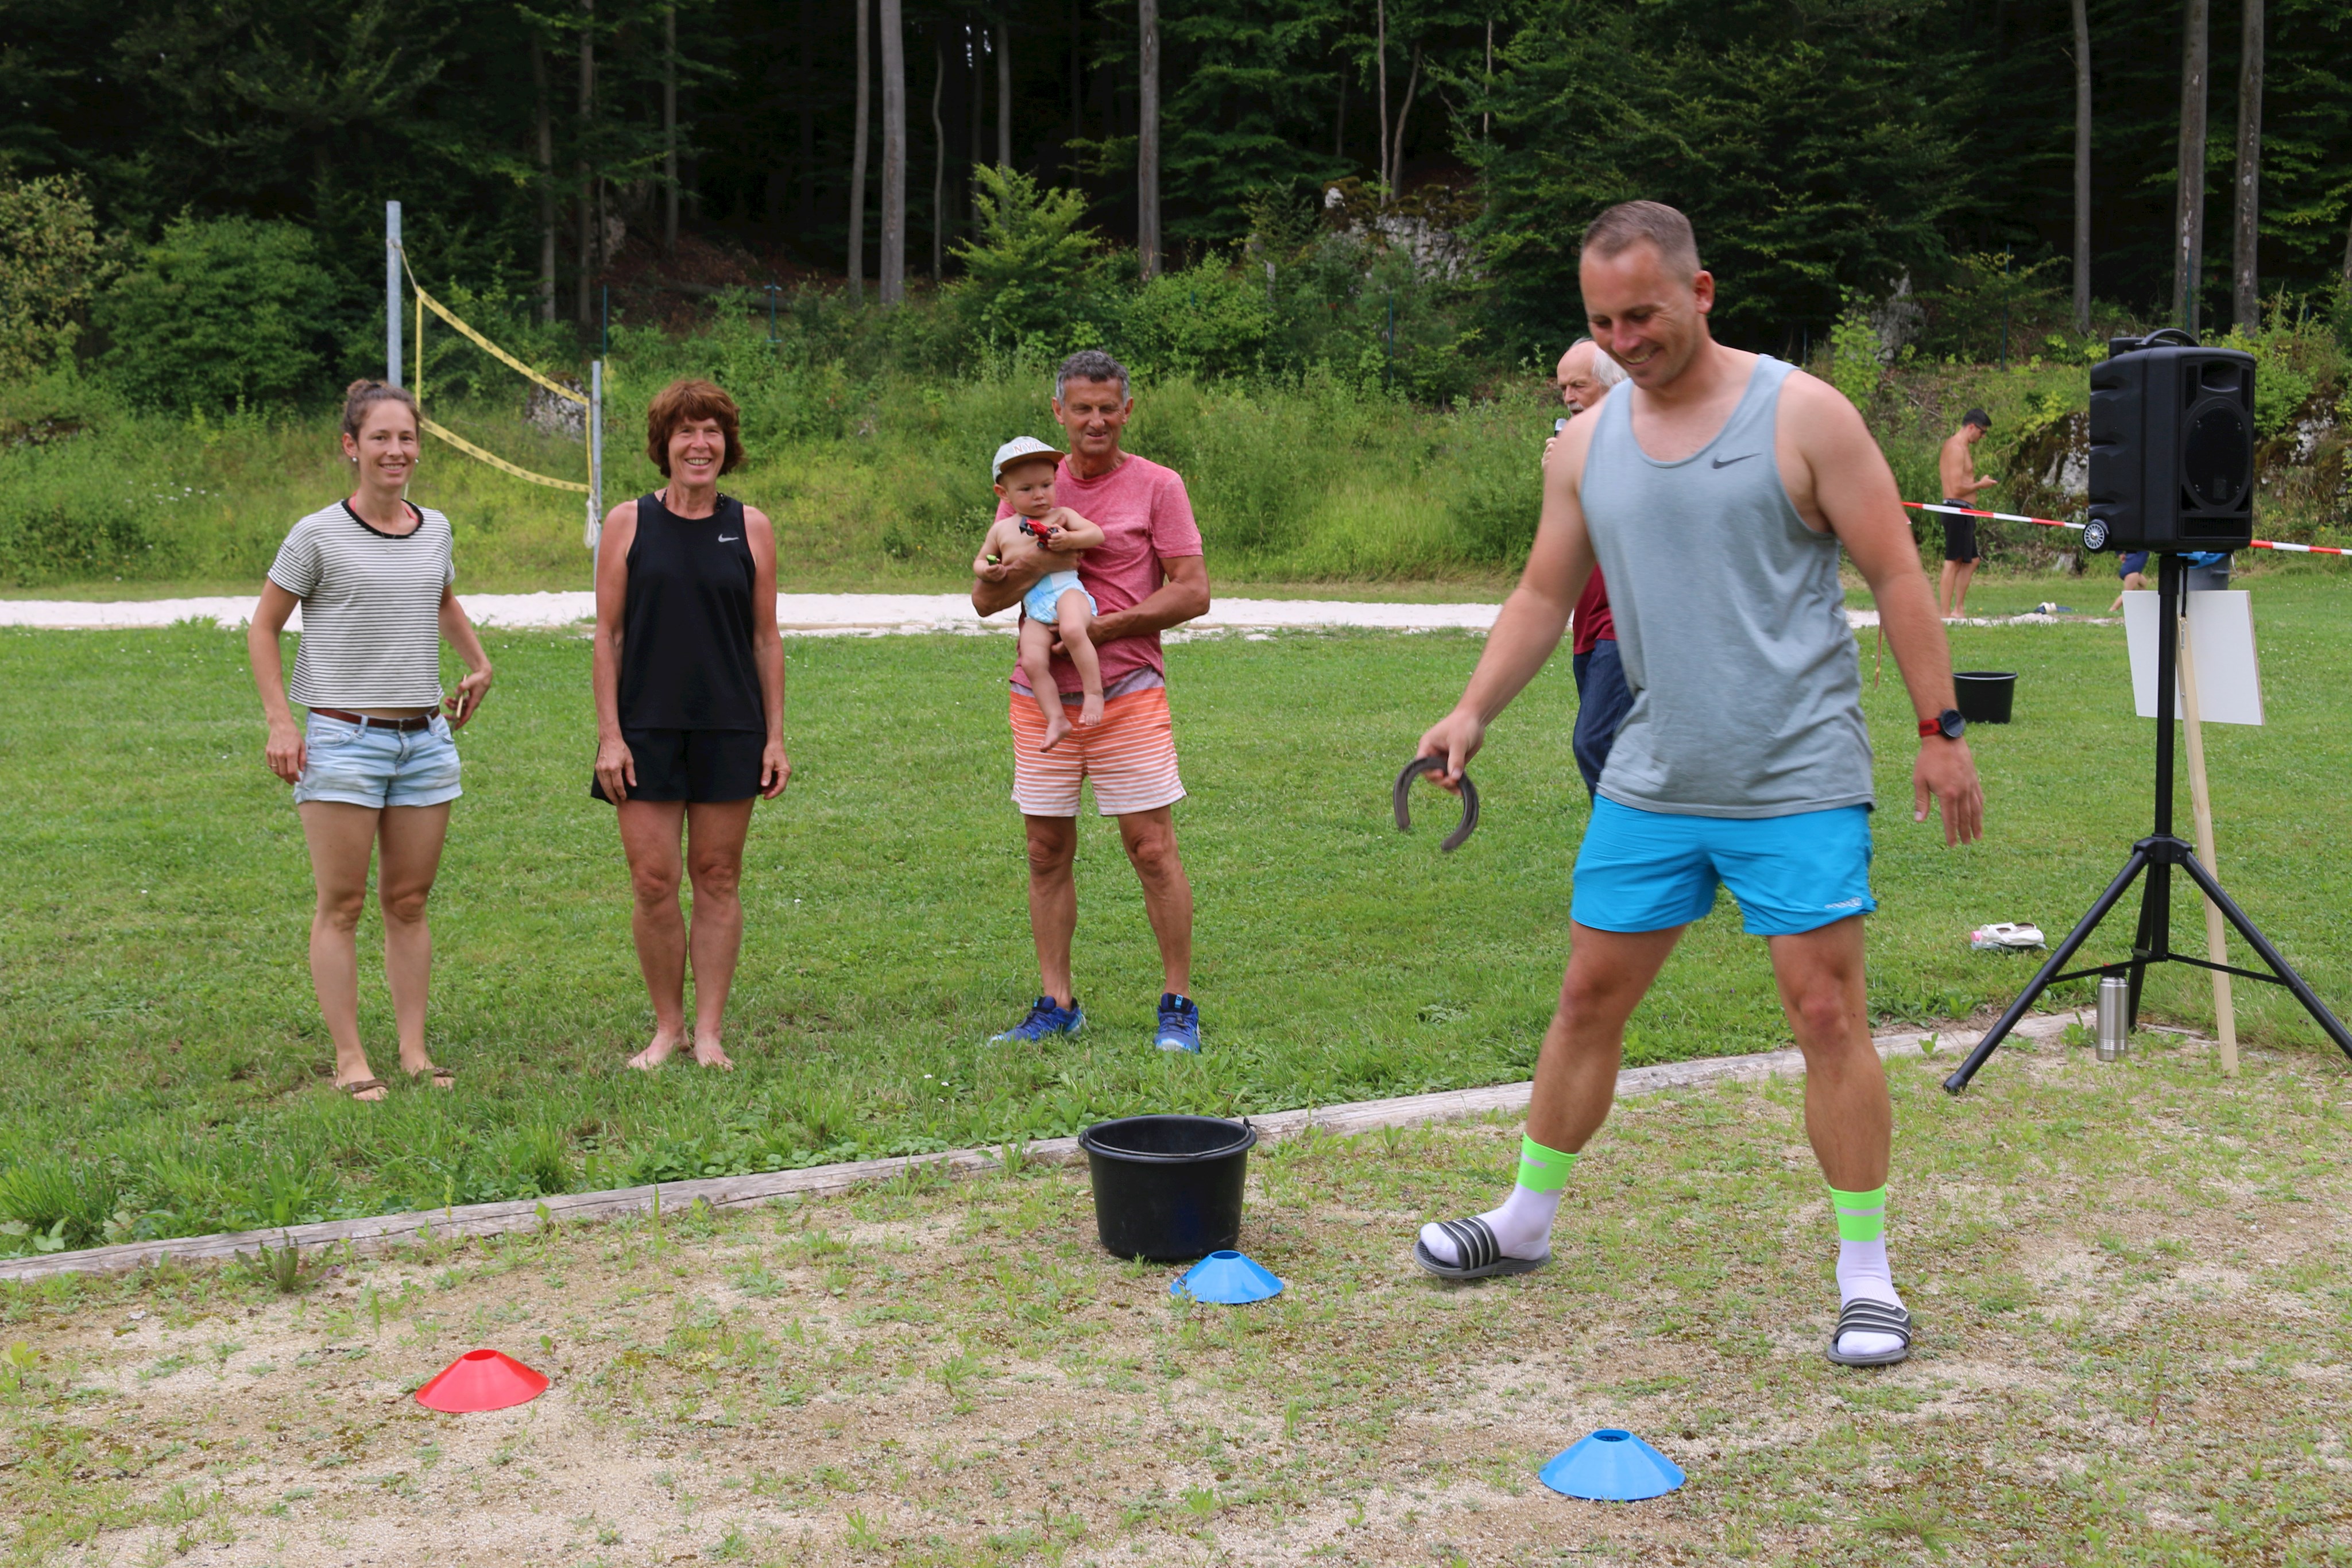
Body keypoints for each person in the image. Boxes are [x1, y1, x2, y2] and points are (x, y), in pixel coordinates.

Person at [1407, 202, 1984, 1371]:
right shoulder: (1583, 446)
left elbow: (1894, 569)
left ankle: (1865, 1274)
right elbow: (1536, 596)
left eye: (1643, 314)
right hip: (1654, 771)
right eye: (1601, 322)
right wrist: (1471, 708)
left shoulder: (1803, 415)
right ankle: (1523, 1221)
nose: (1623, 339)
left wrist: (1939, 727)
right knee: (1585, 1001)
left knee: (1824, 1014)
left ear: (1700, 291)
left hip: (1797, 773)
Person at [247, 380, 494, 1102]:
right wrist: (280, 721)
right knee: (343, 904)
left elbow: (440, 599)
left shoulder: (436, 528)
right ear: (351, 447)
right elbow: (264, 626)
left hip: (423, 740)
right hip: (341, 739)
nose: (396, 450)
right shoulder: (316, 534)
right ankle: (351, 1059)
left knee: (410, 901)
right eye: (380, 438)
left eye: (407, 437)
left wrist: (478, 661)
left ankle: (415, 1052)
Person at [969, 349, 1211, 1054]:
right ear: (1059, 414)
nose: (1096, 420)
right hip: (1038, 696)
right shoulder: (1027, 486)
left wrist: (1100, 628)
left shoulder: (1158, 486)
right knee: (1045, 850)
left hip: (1128, 691)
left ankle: (1177, 1004)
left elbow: (1192, 591)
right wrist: (1031, 568)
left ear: (1126, 410)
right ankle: (1056, 1002)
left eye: (1108, 407)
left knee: (1151, 848)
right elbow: (984, 600)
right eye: (1082, 408)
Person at [591, 379, 789, 1072]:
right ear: (663, 445)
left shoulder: (752, 525)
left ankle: (707, 1033)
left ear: (726, 444)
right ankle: (665, 1028)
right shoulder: (628, 522)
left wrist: (775, 736)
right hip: (643, 728)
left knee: (716, 875)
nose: (698, 444)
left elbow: (766, 639)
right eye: (685, 432)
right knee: (651, 879)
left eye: (711, 432)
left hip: (730, 724)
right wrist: (609, 736)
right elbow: (607, 636)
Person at [976, 436, 1108, 751]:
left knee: (1074, 629)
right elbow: (980, 561)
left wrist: (1070, 539)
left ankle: (1094, 694)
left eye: (1046, 485)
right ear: (1002, 493)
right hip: (1035, 606)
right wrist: (988, 571)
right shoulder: (1001, 530)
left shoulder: (1060, 516)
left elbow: (1096, 534)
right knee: (1032, 661)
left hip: (1067, 592)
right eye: (1026, 489)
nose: (1039, 495)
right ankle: (1056, 719)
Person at [1545, 338, 1633, 795]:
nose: (1568, 397)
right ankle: (1636, 852)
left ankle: (1630, 849)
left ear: (1614, 385)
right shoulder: (1576, 449)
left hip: (1628, 622)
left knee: (1594, 741)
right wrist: (1557, 482)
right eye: (1563, 388)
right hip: (1589, 621)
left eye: (1579, 385)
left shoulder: (1639, 439)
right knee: (1618, 746)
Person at [1936, 409, 1997, 620]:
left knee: (1972, 560)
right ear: (1972, 427)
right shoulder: (1955, 448)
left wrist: (1977, 485)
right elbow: (1954, 488)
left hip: (1964, 510)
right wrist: (1981, 485)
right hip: (1956, 509)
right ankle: (1944, 613)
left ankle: (1958, 609)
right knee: (1953, 561)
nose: (1982, 437)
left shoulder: (1962, 447)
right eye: (1982, 432)